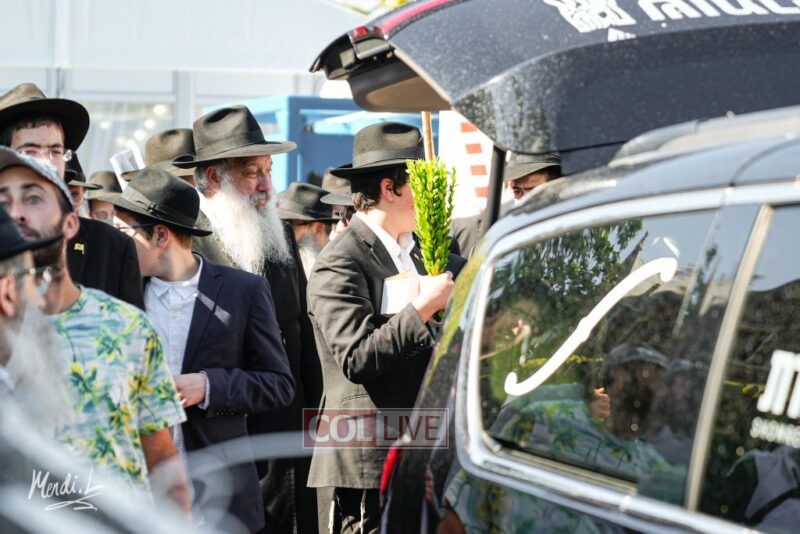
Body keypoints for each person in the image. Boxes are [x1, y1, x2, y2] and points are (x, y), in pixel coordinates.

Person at [104, 168, 295, 532]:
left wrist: (208, 386)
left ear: (160, 235)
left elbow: (279, 384)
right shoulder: (117, 293)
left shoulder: (244, 290)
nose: (116, 243)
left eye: (123, 232)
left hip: (219, 496)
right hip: (140, 495)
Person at [0, 148, 190, 509]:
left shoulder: (127, 328)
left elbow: (163, 462)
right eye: (3, 202)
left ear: (71, 223)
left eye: (33, 198)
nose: (16, 213)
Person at [306, 122, 462, 533]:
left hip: (422, 454)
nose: (429, 198)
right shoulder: (340, 260)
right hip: (367, 463)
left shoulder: (420, 251)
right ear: (389, 188)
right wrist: (423, 307)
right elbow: (357, 357)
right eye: (420, 185)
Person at [173, 105, 322, 534]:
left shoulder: (281, 237)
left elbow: (302, 332)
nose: (266, 185)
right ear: (213, 178)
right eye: (252, 172)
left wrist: (316, 418)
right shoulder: (187, 248)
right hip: (223, 445)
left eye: (268, 170)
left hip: (286, 442)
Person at [0, 82, 145, 309]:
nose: (47, 162)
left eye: (55, 151)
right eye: (30, 151)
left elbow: (132, 327)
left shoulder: (110, 246)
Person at [449, 152, 561, 257]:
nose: (524, 201)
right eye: (518, 192)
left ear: (557, 187)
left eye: (533, 192)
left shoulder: (568, 228)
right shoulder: (491, 233)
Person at [277, 182, 337, 277]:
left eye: (290, 225)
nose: (283, 233)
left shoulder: (337, 271)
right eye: (280, 224)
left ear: (318, 229)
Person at [320, 170, 355, 240]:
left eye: (346, 197)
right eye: (337, 198)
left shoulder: (354, 215)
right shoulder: (321, 220)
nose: (343, 202)